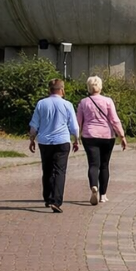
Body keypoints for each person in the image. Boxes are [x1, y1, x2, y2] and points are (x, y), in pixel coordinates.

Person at [28, 78, 79, 213]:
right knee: (59, 171)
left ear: (49, 90)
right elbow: (74, 126)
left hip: (45, 142)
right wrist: (76, 140)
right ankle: (56, 201)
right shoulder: (67, 105)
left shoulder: (41, 104)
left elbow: (34, 124)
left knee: (47, 170)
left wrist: (32, 139)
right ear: (62, 90)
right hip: (62, 141)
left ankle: (48, 198)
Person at [76, 76, 127, 206]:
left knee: (93, 164)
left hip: (89, 136)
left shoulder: (83, 102)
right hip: (107, 136)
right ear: (101, 86)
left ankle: (94, 186)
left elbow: (78, 122)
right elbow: (114, 119)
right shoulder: (108, 101)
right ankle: (103, 195)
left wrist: (75, 138)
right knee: (104, 165)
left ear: (88, 87)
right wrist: (122, 136)